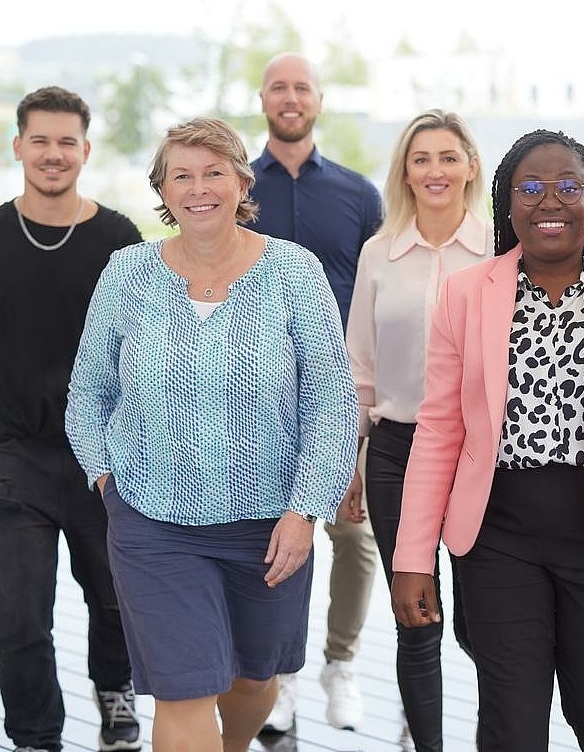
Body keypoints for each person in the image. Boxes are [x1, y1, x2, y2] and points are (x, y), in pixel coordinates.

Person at [391, 129, 584, 752]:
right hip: (496, 536)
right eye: (529, 189)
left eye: (568, 186)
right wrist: (410, 556)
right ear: (506, 204)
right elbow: (439, 431)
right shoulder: (465, 293)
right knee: (511, 722)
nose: (549, 202)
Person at [65, 117, 358, 752]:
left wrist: (307, 509)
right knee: (184, 687)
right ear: (163, 191)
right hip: (151, 518)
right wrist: (106, 475)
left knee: (254, 680)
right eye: (182, 176)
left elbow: (330, 406)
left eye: (214, 172)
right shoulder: (127, 274)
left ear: (241, 181)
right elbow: (89, 391)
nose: (199, 188)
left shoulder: (294, 274)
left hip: (268, 524)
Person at [0, 86, 143, 752]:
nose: (53, 154)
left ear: (84, 151)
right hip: (13, 455)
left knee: (113, 599)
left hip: (101, 455)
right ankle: (34, 735)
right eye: (40, 140)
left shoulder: (119, 240)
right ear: (18, 146)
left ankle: (116, 697)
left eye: (66, 142)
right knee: (18, 614)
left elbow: (146, 351)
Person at [346, 110, 491, 751]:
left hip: (484, 453)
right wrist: (350, 462)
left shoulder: (500, 249)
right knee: (416, 617)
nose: (435, 170)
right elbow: (361, 369)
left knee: (488, 618)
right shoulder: (379, 254)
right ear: (404, 171)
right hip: (397, 452)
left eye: (447, 157)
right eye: (421, 158)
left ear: (470, 168)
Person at [251, 52, 382, 734]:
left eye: (302, 87)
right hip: (256, 396)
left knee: (352, 538)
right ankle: (281, 675)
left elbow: (376, 297)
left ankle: (341, 662)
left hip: (340, 393)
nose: (291, 96)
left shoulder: (359, 196)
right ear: (263, 99)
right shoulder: (236, 188)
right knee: (273, 537)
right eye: (279, 86)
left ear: (320, 100)